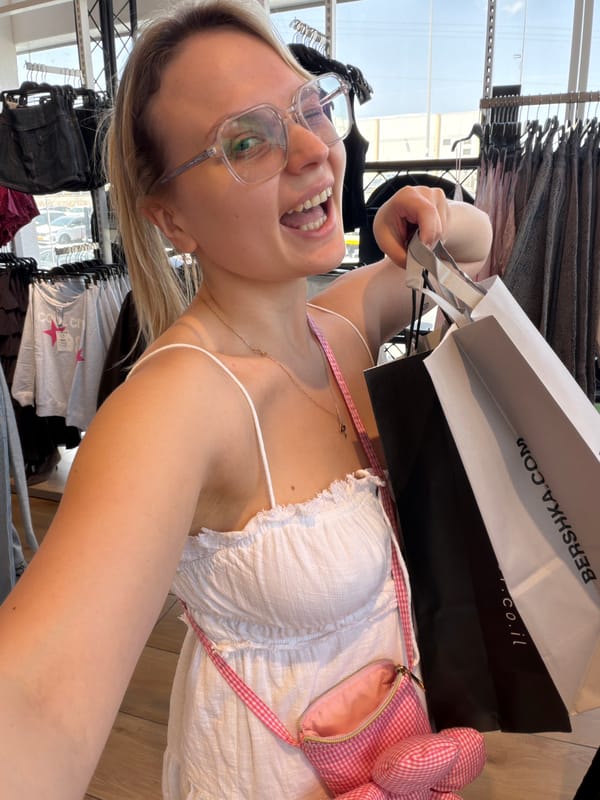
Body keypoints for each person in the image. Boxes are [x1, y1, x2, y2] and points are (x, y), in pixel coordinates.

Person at [0, 1, 493, 798]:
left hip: (390, 745)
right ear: (170, 219)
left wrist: (433, 211)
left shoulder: (340, 326)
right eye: (245, 142)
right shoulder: (178, 403)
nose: (311, 150)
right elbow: (35, 703)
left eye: (310, 107)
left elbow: (477, 245)